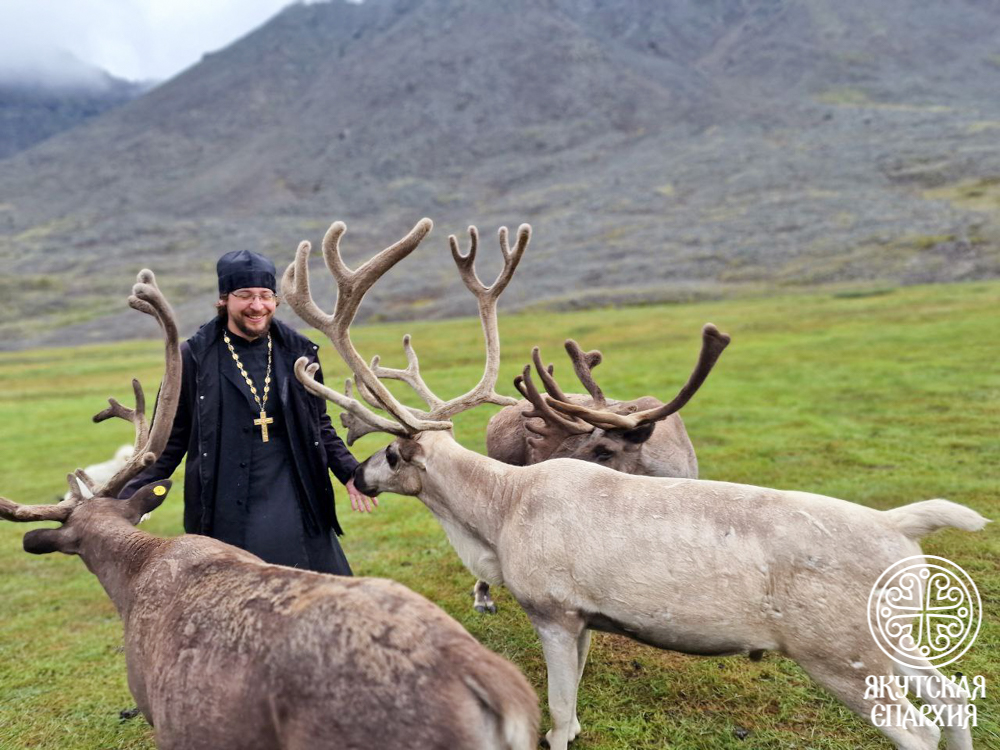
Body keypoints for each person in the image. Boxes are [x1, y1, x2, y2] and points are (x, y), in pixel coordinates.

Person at [121, 249, 374, 575]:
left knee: (330, 596)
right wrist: (129, 500)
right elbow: (168, 442)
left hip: (298, 494)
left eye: (265, 296)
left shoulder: (299, 351)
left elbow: (319, 424)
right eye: (245, 296)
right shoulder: (192, 358)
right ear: (224, 299)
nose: (257, 306)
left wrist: (350, 472)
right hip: (225, 504)